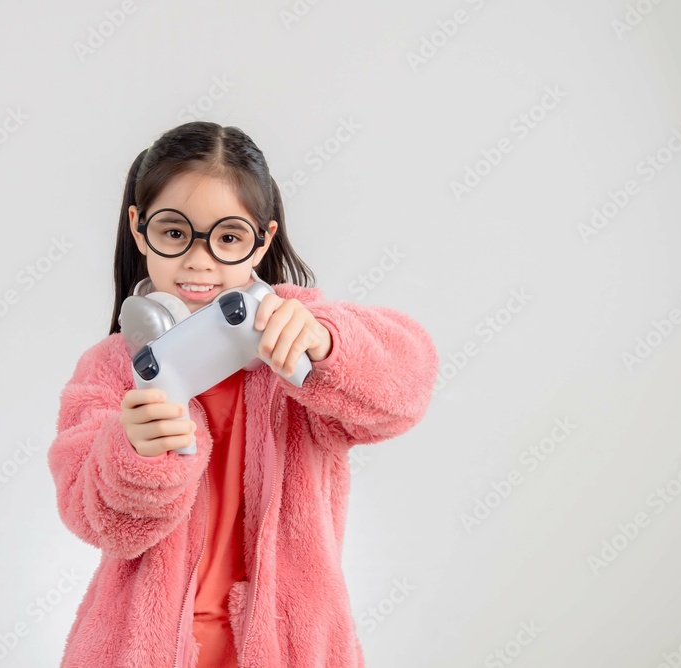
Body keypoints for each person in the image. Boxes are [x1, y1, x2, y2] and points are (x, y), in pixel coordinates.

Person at [47, 121, 439, 667]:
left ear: (263, 240)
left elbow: (405, 386)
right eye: (174, 232)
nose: (200, 260)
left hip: (290, 649)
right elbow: (96, 520)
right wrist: (132, 452)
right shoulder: (112, 370)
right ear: (139, 230)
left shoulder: (296, 336)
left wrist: (328, 342)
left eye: (228, 237)